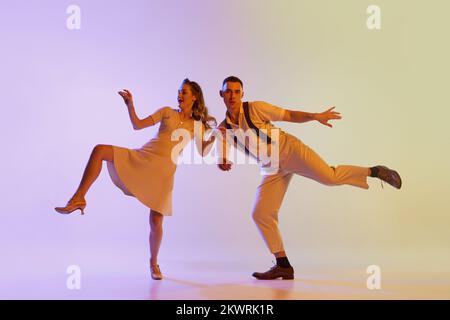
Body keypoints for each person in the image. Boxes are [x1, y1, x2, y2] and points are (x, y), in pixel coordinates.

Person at [216, 76, 401, 280]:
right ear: (221, 94)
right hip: (271, 168)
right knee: (260, 213)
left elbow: (288, 115)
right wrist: (223, 161)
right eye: (228, 91)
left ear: (242, 94)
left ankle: (375, 171)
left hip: (289, 150)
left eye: (236, 91)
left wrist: (315, 116)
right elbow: (223, 152)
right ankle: (283, 265)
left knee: (330, 177)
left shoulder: (256, 108)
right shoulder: (224, 128)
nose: (232, 95)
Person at [55, 79, 217, 280]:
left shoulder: (196, 125)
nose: (179, 95)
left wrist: (213, 137)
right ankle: (79, 197)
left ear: (194, 96)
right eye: (178, 92)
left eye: (184, 92)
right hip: (143, 157)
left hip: (164, 173)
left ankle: (153, 262)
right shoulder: (167, 111)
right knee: (100, 150)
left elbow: (202, 152)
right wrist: (130, 105)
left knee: (156, 221)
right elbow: (137, 125)